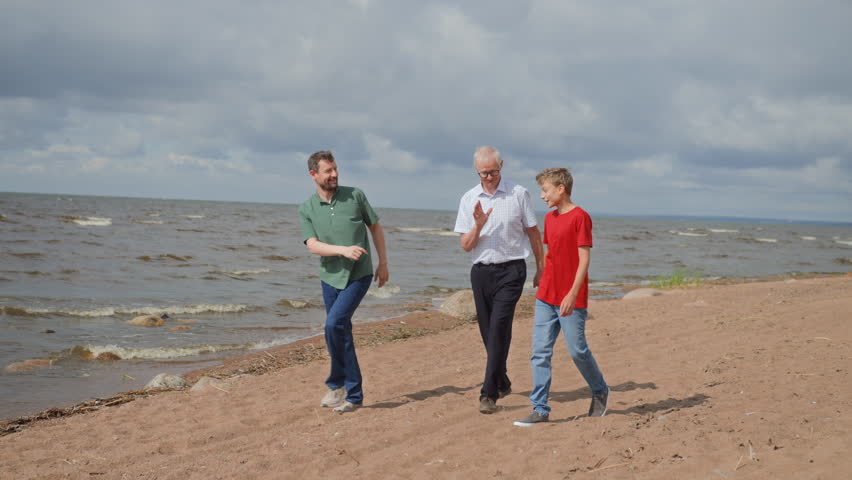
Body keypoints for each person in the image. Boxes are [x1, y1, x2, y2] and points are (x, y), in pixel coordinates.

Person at [513, 167, 608, 427]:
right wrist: (540, 275)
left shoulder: (581, 217)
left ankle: (599, 389)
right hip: (546, 295)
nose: (542, 196)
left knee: (577, 351)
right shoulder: (550, 219)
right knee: (540, 352)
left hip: (570, 298)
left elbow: (584, 259)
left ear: (560, 188)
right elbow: (551, 254)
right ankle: (540, 409)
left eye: (545, 190)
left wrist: (572, 294)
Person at [454, 146, 545, 414]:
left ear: (501, 166)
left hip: (512, 271)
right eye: (484, 173)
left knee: (498, 328)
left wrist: (541, 268)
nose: (490, 177)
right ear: (477, 171)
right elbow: (466, 245)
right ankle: (502, 380)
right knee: (489, 334)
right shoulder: (469, 198)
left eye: (493, 171)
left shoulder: (518, 194)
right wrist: (479, 225)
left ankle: (488, 393)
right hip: (481, 273)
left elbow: (533, 233)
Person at [298, 150, 389, 414]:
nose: (334, 174)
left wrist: (383, 262)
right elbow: (313, 246)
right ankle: (341, 388)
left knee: (333, 324)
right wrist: (342, 250)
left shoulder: (355, 195)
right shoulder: (306, 208)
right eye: (328, 171)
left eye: (335, 169)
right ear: (313, 175)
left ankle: (349, 391)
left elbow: (376, 228)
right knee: (339, 330)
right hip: (329, 278)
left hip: (358, 275)